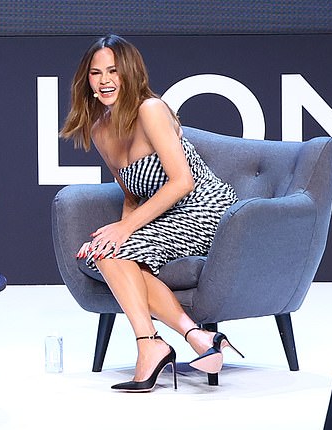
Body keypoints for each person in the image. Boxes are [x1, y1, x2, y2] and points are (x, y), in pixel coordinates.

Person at [60, 34, 243, 392]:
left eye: (114, 70)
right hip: (168, 216)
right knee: (106, 250)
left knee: (113, 249)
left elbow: (182, 182)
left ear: (130, 73)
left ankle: (153, 347)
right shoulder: (99, 130)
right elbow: (132, 193)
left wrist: (127, 228)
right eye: (96, 73)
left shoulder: (150, 109)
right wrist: (118, 229)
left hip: (209, 208)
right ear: (87, 81)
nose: (105, 80)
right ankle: (195, 338)